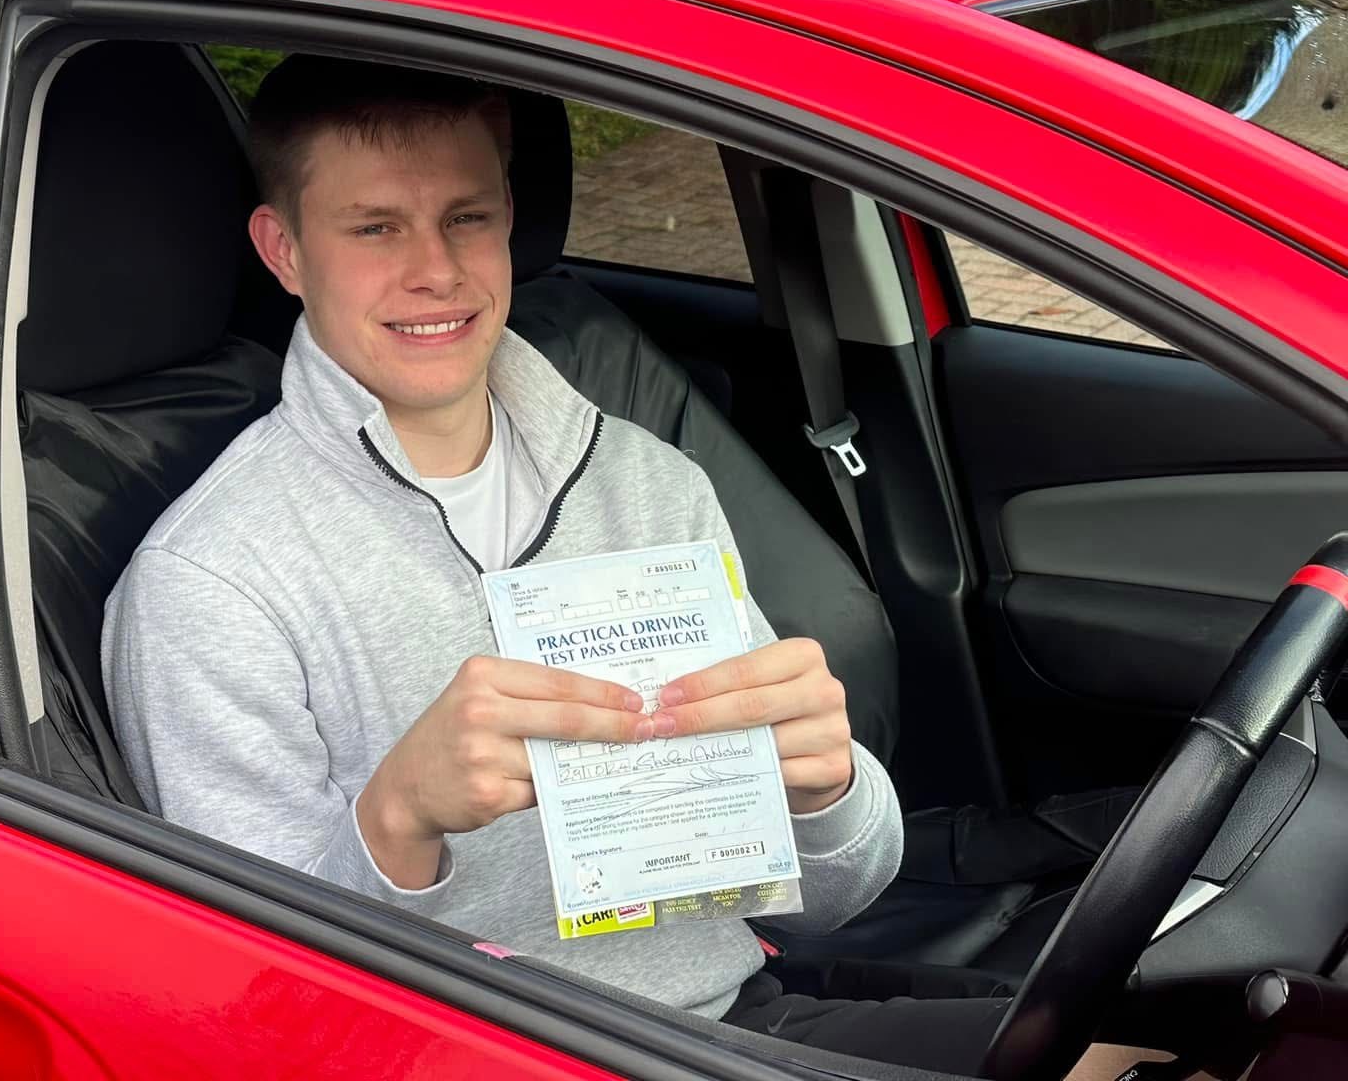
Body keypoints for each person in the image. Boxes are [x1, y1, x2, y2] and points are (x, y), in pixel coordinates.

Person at [101, 56, 1105, 1075]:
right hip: (476, 1061)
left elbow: (834, 896)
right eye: (373, 228)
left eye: (468, 217)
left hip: (725, 1015)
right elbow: (257, 1022)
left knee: (1142, 1052)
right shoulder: (209, 581)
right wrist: (395, 822)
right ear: (283, 252)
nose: (435, 271)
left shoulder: (645, 481)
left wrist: (824, 789)